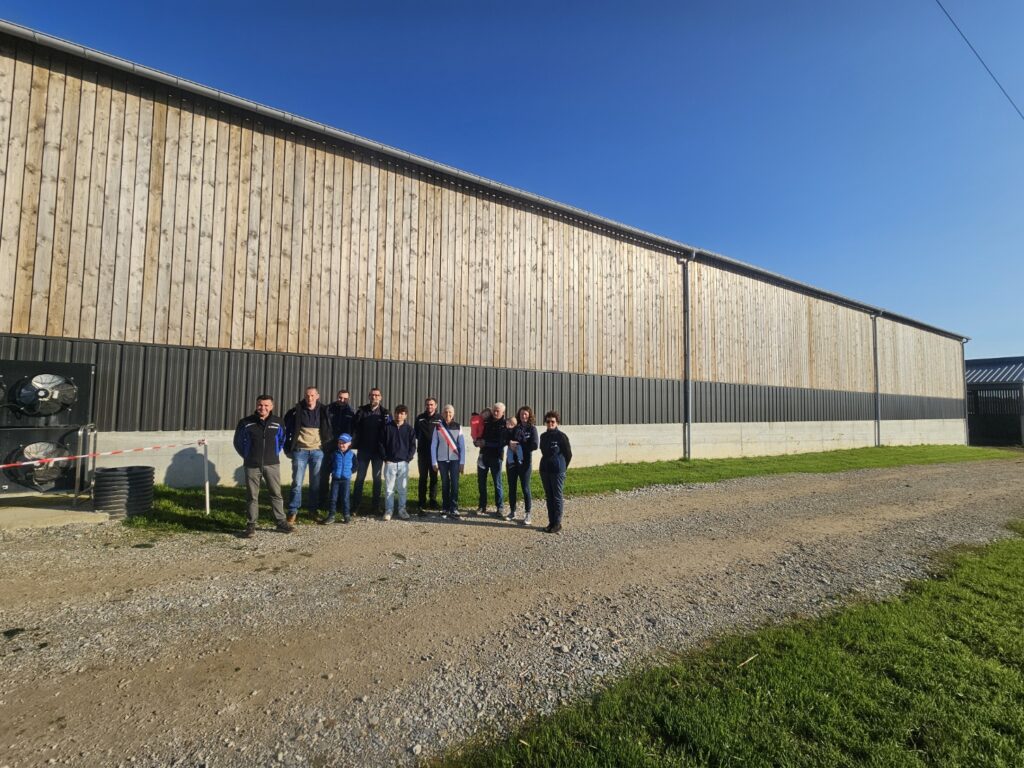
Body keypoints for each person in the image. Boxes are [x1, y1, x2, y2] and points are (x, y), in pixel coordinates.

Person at [233, 395, 294, 537]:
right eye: (260, 405)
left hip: (272, 464)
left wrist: (273, 454)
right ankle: (251, 525)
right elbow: (238, 442)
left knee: (276, 494)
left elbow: (282, 439)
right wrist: (248, 456)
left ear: (271, 406)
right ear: (256, 405)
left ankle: (280, 522)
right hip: (251, 465)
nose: (263, 408)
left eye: (266, 405)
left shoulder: (278, 422)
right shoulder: (245, 422)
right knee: (252, 496)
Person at [283, 386, 333, 523]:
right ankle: (293, 511)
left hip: (317, 452)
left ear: (317, 396)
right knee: (297, 483)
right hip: (300, 452)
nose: (309, 398)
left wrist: (326, 446)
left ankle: (313, 510)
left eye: (312, 395)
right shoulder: (296, 411)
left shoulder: (324, 410)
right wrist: (288, 448)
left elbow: (328, 429)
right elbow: (285, 429)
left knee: (315, 484)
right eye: (307, 396)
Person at [351, 387, 390, 514]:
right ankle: (356, 506)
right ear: (369, 396)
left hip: (378, 452)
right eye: (372, 395)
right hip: (363, 450)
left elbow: (388, 433)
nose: (374, 397)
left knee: (377, 479)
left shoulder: (385, 413)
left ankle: (376, 506)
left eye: (377, 395)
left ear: (380, 397)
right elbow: (355, 428)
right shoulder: (362, 411)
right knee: (360, 478)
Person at [539, 410, 572, 533]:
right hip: (545, 470)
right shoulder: (543, 436)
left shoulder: (561, 437)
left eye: (553, 421)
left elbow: (568, 454)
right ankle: (551, 522)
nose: (550, 424)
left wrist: (562, 467)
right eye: (548, 421)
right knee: (549, 497)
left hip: (557, 471)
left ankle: (557, 523)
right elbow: (544, 451)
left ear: (557, 422)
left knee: (557, 497)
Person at [381, 404, 417, 520]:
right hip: (389, 463)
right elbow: (381, 444)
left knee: (402, 488)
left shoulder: (409, 429)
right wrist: (385, 458)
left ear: (405, 415)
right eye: (397, 413)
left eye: (401, 413)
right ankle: (389, 511)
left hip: (403, 463)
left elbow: (412, 446)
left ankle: (402, 510)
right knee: (388, 488)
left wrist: (407, 459)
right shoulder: (387, 427)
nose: (398, 415)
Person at [506, 405, 540, 525]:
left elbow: (535, 445)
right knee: (512, 487)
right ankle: (512, 511)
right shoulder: (515, 426)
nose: (523, 416)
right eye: (521, 414)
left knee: (525, 488)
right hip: (512, 462)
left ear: (529, 415)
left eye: (525, 414)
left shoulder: (532, 429)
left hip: (525, 463)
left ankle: (528, 513)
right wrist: (510, 443)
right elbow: (505, 438)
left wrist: (520, 446)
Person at [431, 404, 466, 518]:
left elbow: (462, 446)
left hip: (455, 460)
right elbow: (433, 445)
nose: (448, 414)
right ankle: (445, 507)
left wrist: (462, 462)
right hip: (441, 460)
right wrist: (434, 462)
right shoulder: (438, 427)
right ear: (442, 414)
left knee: (455, 484)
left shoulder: (458, 426)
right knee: (445, 484)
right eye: (445, 412)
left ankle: (454, 508)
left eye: (450, 412)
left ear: (453, 414)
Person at [475, 402, 508, 517]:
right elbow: (479, 434)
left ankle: (499, 507)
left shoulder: (504, 424)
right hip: (483, 456)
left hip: (496, 457)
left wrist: (486, 443)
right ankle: (482, 506)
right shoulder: (486, 421)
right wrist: (477, 441)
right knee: (481, 482)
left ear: (503, 412)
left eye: (498, 410)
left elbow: (501, 443)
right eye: (494, 410)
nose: (495, 412)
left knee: (497, 483)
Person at [322, 389, 356, 503]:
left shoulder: (351, 413)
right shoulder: (328, 409)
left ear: (348, 399)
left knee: (341, 473)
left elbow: (352, 430)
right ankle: (324, 499)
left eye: (345, 398)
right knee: (325, 472)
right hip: (328, 444)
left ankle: (341, 500)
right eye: (340, 397)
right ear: (337, 397)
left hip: (343, 446)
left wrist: (349, 444)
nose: (342, 400)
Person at [414, 397, 442, 512]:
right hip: (422, 453)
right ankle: (421, 502)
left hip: (435, 454)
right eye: (427, 405)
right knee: (423, 478)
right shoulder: (420, 418)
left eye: (431, 405)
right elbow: (416, 434)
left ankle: (433, 501)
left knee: (434, 478)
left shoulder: (440, 418)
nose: (429, 407)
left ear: (435, 406)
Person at [321, 433, 355, 524]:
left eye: (344, 443)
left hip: (346, 480)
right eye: (339, 443)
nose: (341, 445)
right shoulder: (334, 454)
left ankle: (346, 515)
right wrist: (333, 471)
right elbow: (329, 464)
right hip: (335, 479)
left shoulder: (352, 455)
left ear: (349, 444)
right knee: (333, 498)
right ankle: (331, 515)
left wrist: (350, 472)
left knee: (345, 498)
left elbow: (356, 466)